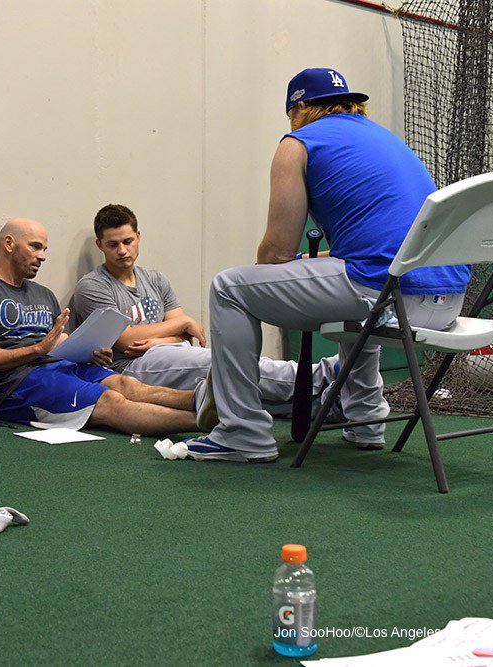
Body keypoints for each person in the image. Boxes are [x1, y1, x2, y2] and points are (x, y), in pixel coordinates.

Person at [186, 68, 471, 463]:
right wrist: (306, 263)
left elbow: (277, 252)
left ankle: (242, 432)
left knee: (229, 289)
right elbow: (377, 248)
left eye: (291, 113)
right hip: (448, 302)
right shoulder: (384, 139)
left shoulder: (297, 143)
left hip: (389, 297)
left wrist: (276, 270)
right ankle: (366, 422)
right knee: (356, 293)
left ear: (300, 106)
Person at [70, 203, 342, 417]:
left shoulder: (154, 279)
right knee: (224, 366)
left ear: (138, 237)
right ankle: (325, 374)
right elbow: (127, 340)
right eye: (112, 245)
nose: (122, 251)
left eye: (127, 241)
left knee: (231, 389)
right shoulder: (93, 286)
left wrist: (167, 335)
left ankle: (323, 405)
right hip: (131, 367)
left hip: (172, 353)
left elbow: (186, 334)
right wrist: (182, 323)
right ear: (99, 245)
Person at [0, 218, 200, 437]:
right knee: (111, 400)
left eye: (44, 249)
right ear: (9, 244)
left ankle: (204, 400)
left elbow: (60, 343)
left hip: (61, 367)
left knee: (125, 384)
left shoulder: (44, 295)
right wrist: (38, 350)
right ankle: (208, 422)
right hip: (14, 384)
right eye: (35, 247)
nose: (42, 256)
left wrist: (89, 353)